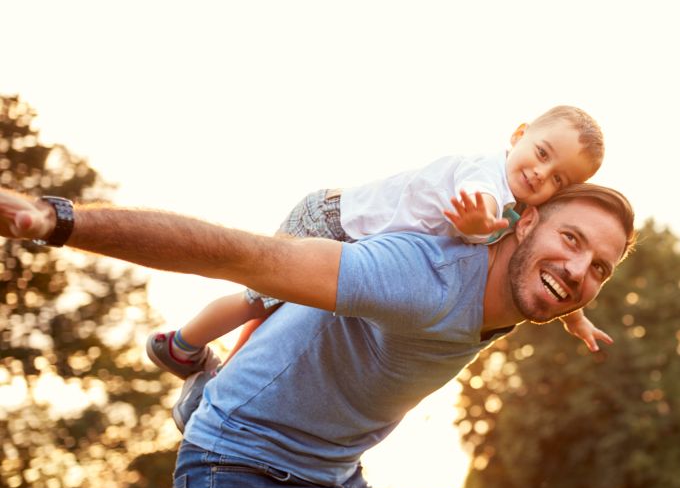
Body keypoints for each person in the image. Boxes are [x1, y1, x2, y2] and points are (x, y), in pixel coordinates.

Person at [0, 180, 636, 488]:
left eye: (600, 268)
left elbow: (554, 273)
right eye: (570, 240)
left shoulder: (517, 275)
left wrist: (572, 299)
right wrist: (58, 220)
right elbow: (243, 256)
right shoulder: (419, 277)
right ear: (522, 225)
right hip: (239, 476)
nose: (580, 270)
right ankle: (197, 378)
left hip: (336, 484)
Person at [147, 105, 612, 383]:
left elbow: (534, 261)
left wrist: (576, 318)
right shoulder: (488, 176)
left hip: (354, 238)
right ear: (519, 135)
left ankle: (226, 373)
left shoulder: (516, 206)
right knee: (259, 300)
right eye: (542, 153)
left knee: (277, 312)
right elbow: (478, 209)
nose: (539, 173)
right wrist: (478, 220)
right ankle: (181, 345)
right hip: (333, 222)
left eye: (558, 179)